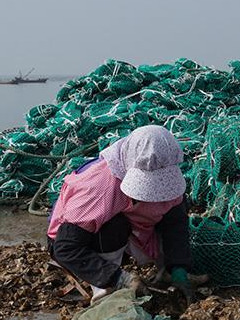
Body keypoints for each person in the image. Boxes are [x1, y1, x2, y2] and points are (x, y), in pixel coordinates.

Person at [47, 124, 194, 304]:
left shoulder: (169, 178)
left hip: (137, 227)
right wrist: (118, 278)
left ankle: (168, 272)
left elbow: (175, 224)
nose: (156, 194)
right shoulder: (99, 187)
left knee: (175, 213)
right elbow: (65, 247)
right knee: (114, 227)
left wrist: (178, 268)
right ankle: (103, 285)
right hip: (79, 239)